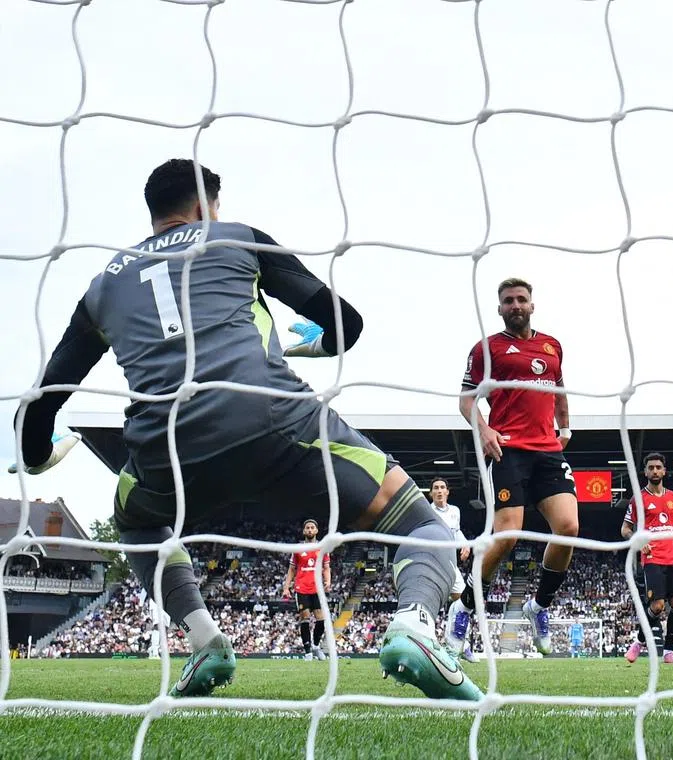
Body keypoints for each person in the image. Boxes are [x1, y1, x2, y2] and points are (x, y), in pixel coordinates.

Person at [10, 159, 481, 701]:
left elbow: (42, 399)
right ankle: (415, 625)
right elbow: (346, 322)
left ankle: (204, 639)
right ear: (205, 206)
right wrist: (318, 344)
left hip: (166, 454)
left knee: (136, 525)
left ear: (155, 212)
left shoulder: (101, 288)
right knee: (419, 522)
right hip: (275, 421)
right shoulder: (238, 239)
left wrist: (38, 453)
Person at [446, 278, 578, 656]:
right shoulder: (487, 350)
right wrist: (485, 430)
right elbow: (467, 401)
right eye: (508, 301)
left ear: (533, 305)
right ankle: (465, 607)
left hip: (547, 450)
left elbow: (559, 393)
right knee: (508, 535)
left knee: (568, 528)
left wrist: (565, 429)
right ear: (500, 308)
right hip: (507, 450)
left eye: (522, 299)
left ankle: (540, 606)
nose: (516, 305)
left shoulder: (552, 346)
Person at [620, 453, 673, 664]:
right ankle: (638, 643)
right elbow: (625, 529)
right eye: (651, 467)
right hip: (652, 558)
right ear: (645, 472)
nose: (655, 471)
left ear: (664, 471)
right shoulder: (638, 500)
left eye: (658, 467)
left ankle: (669, 653)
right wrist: (637, 540)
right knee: (658, 606)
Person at [429, 476, 474, 661]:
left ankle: (462, 647)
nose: (439, 491)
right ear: (431, 493)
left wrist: (465, 545)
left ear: (447, 491)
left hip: (450, 564)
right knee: (430, 606)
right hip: (431, 564)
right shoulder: (427, 511)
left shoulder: (455, 511)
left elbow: (456, 531)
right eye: (435, 488)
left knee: (464, 603)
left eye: (442, 487)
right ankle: (429, 648)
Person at [282, 519, 331, 661]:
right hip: (301, 588)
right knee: (305, 618)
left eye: (312, 527)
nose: (310, 530)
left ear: (316, 530)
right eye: (307, 528)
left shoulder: (323, 548)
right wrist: (286, 587)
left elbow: (326, 568)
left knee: (321, 619)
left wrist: (328, 581)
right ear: (304, 531)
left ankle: (316, 646)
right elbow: (291, 569)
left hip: (317, 589)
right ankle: (308, 651)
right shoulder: (298, 549)